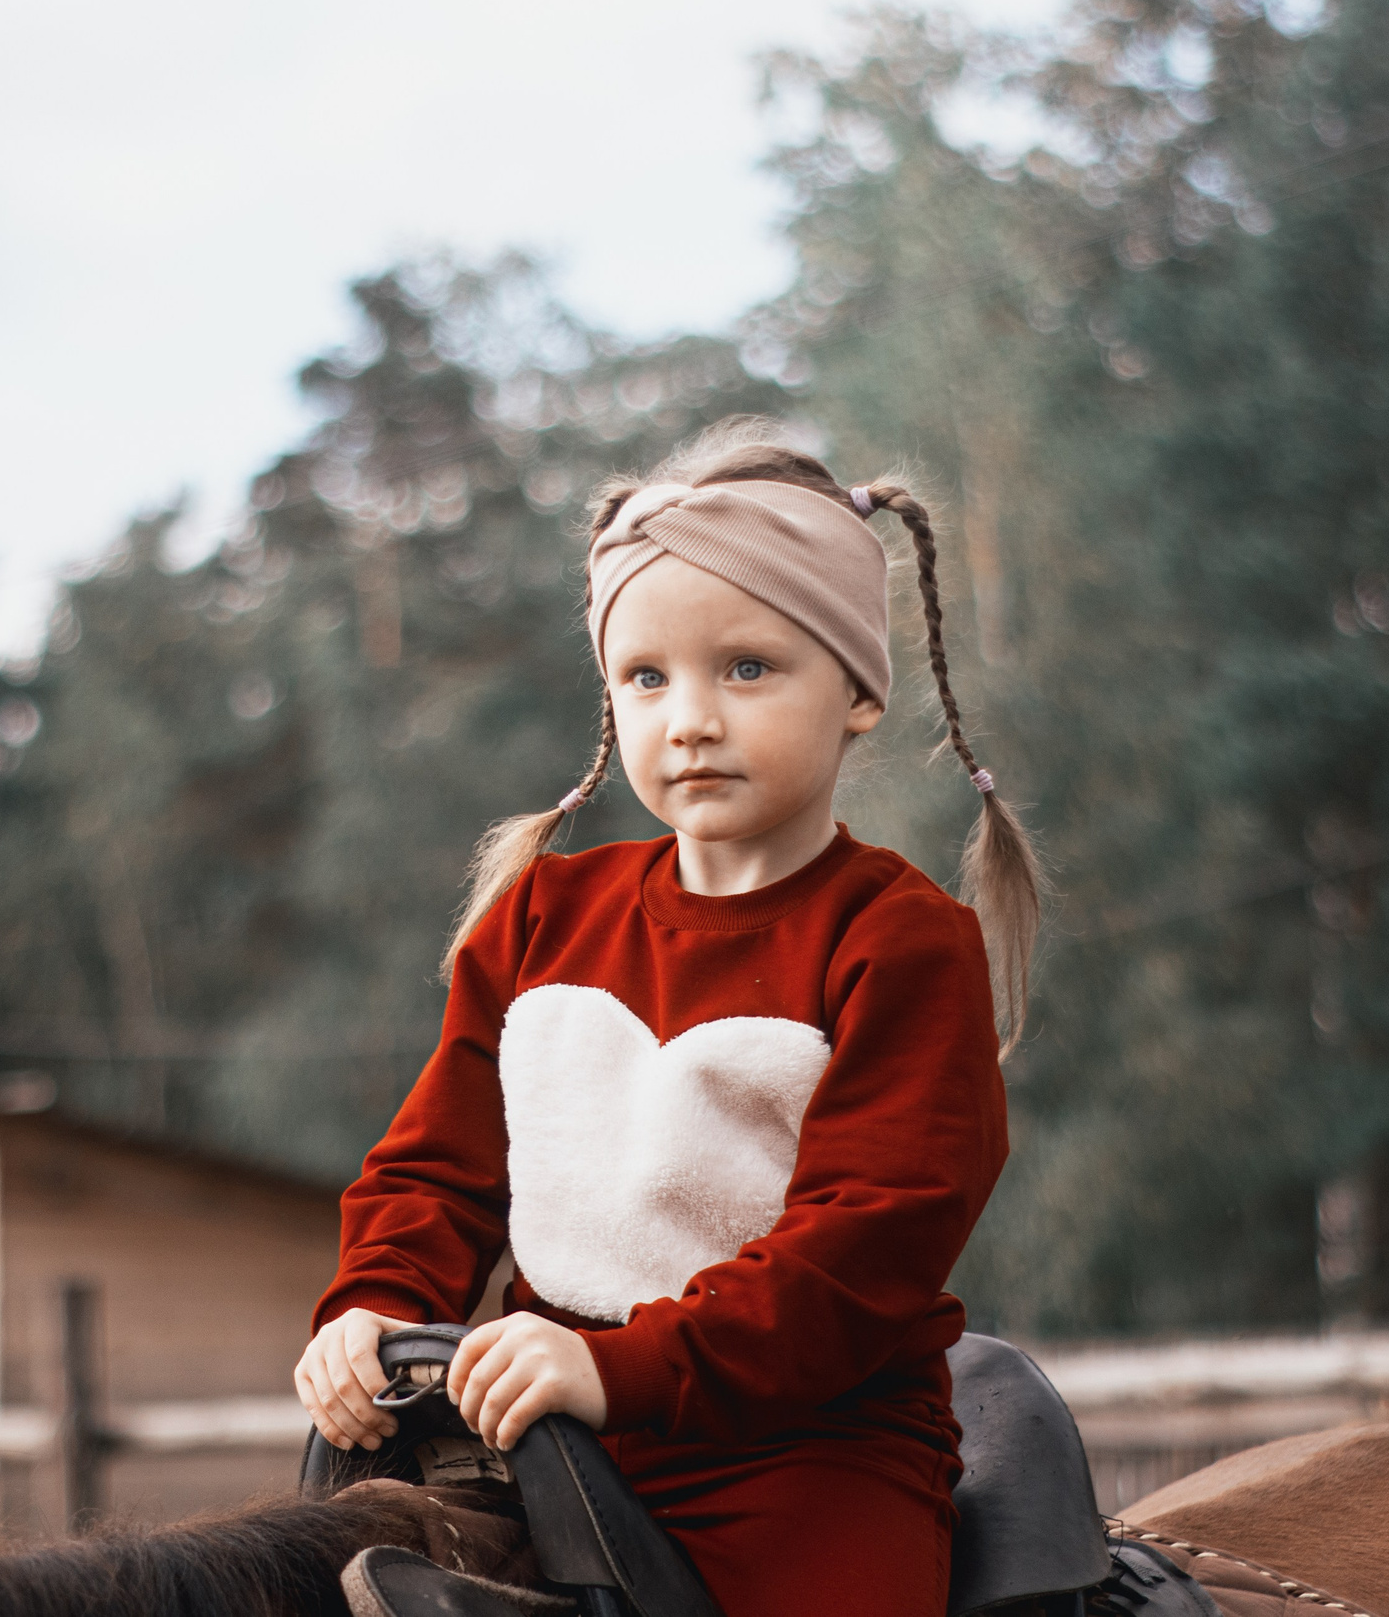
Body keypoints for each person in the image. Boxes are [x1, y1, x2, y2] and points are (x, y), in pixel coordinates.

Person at [296, 419, 1041, 1616]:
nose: (688, 717)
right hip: (536, 1420)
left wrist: (619, 1366)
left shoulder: (898, 942)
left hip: (802, 1454)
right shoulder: (541, 917)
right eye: (647, 678)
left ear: (855, 690)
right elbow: (438, 1163)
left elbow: (864, 1243)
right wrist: (377, 1301)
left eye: (745, 669)